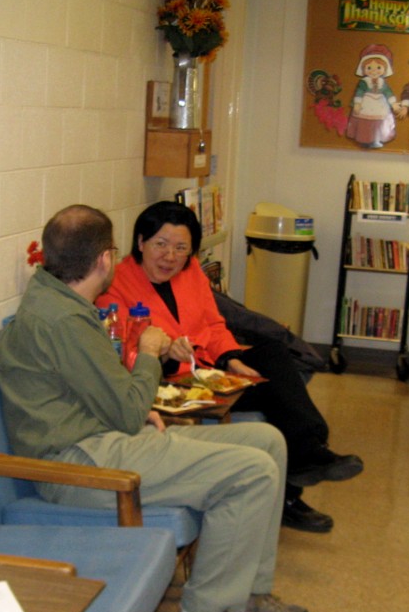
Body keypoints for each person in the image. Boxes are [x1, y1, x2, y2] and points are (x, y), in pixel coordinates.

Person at [0, 205, 309, 612]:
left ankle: (246, 592)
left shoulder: (59, 303)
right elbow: (124, 407)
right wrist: (148, 352)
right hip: (81, 463)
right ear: (106, 259)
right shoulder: (63, 320)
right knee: (251, 472)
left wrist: (135, 406)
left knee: (267, 442)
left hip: (101, 439)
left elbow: (99, 395)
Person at [98, 201, 363, 535]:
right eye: (160, 244)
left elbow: (214, 325)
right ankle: (297, 480)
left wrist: (231, 360)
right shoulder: (116, 284)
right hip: (166, 384)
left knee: (273, 354)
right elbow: (121, 352)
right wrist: (165, 353)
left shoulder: (191, 272)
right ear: (140, 242)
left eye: (181, 248)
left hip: (207, 370)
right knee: (277, 396)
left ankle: (307, 455)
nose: (170, 256)